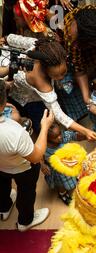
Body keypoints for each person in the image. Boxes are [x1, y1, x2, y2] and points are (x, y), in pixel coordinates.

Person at [1, 36, 96, 140]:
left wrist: (85, 131)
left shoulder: (44, 83)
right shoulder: (42, 82)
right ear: (45, 69)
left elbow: (59, 114)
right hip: (10, 90)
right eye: (56, 75)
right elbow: (59, 115)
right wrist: (6, 38)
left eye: (63, 72)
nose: (61, 77)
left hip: (29, 97)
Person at [0, 79, 55, 231]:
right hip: (22, 169)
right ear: (4, 102)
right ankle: (25, 221)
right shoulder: (15, 132)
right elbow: (36, 157)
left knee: (2, 186)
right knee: (26, 192)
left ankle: (4, 209)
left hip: (1, 167)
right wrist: (44, 127)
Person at [41, 123, 85, 205]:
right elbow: (39, 156)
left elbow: (74, 136)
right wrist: (43, 165)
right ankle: (63, 194)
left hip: (70, 163)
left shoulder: (64, 136)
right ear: (47, 138)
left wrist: (84, 135)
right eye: (55, 137)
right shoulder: (44, 146)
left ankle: (76, 180)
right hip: (58, 170)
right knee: (61, 184)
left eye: (60, 134)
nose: (60, 137)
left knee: (76, 174)